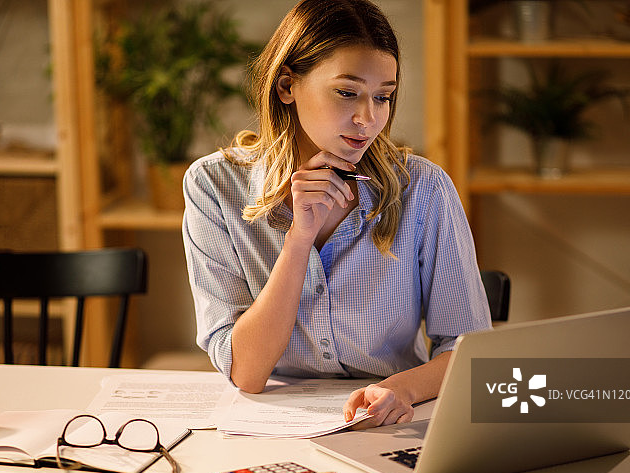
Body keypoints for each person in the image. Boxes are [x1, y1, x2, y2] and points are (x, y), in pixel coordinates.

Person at [182, 0, 491, 428]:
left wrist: (403, 389)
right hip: (271, 423)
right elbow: (246, 373)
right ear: (287, 85)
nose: (368, 118)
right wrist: (298, 240)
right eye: (347, 93)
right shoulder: (213, 185)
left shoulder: (423, 188)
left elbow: (468, 348)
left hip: (391, 420)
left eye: (383, 97)